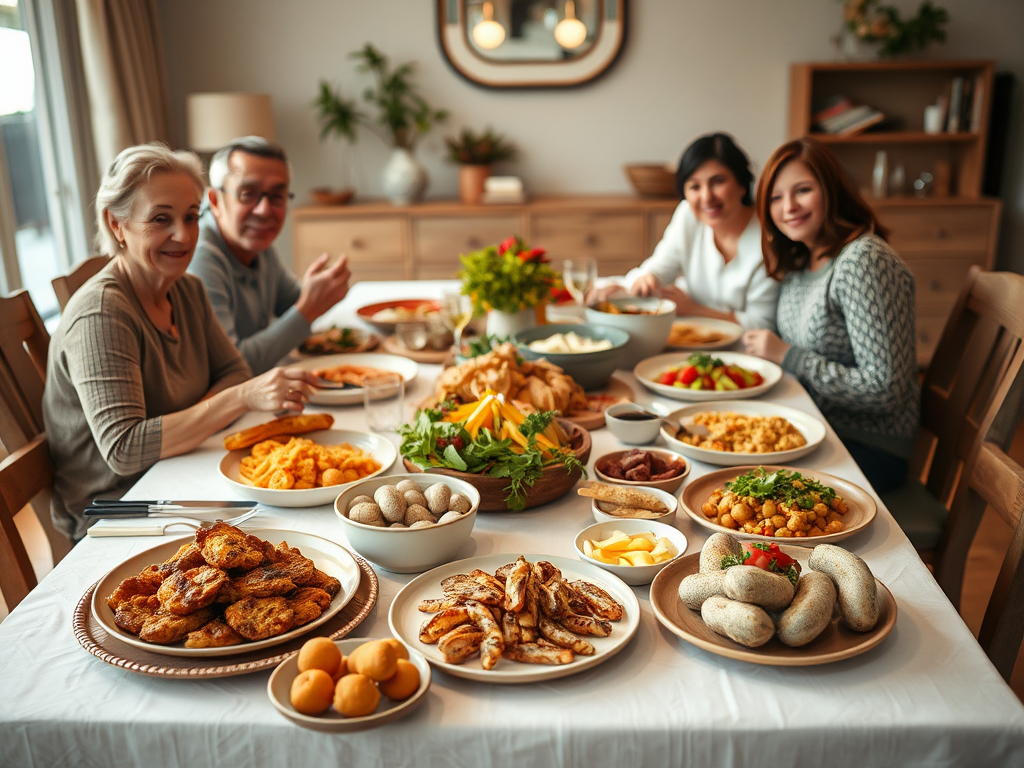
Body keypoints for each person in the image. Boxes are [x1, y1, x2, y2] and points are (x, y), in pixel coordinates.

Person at [43, 143, 320, 541]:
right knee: (291, 531)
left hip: (182, 471)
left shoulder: (186, 289)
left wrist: (192, 419)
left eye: (191, 217)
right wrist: (236, 400)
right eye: (160, 219)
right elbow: (125, 450)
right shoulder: (102, 312)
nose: (183, 235)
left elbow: (235, 371)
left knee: (300, 515)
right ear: (117, 224)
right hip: (118, 510)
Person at [743, 137, 919, 491]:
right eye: (776, 198)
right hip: (817, 428)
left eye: (802, 190)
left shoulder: (863, 260)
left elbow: (886, 389)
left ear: (831, 190)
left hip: (866, 446)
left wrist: (789, 356)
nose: (788, 206)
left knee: (741, 487)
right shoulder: (800, 262)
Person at [189, 136, 351, 374]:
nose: (265, 210)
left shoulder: (258, 246)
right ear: (215, 201)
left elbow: (291, 303)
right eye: (247, 193)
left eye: (277, 196)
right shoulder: (199, 256)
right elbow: (233, 367)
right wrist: (308, 307)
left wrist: (321, 290)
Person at [615, 133, 779, 330]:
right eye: (694, 186)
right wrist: (648, 279)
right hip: (692, 338)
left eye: (718, 182)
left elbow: (761, 324)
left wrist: (693, 309)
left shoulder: (769, 238)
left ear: (742, 184)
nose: (706, 197)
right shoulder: (688, 215)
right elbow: (658, 269)